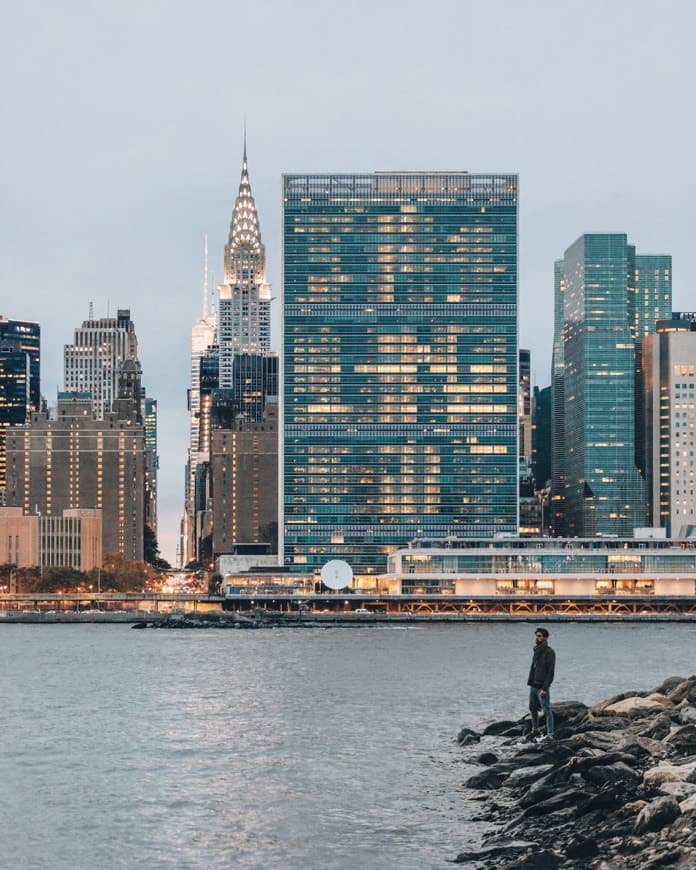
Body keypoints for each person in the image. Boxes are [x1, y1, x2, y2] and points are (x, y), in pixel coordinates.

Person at [526, 626, 556, 741]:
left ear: (545, 637)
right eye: (536, 636)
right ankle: (535, 730)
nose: (537, 638)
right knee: (532, 708)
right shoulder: (536, 650)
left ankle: (550, 734)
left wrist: (545, 688)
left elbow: (551, 672)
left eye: (539, 636)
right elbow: (534, 668)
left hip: (542, 687)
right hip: (533, 685)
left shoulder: (549, 652)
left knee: (546, 710)